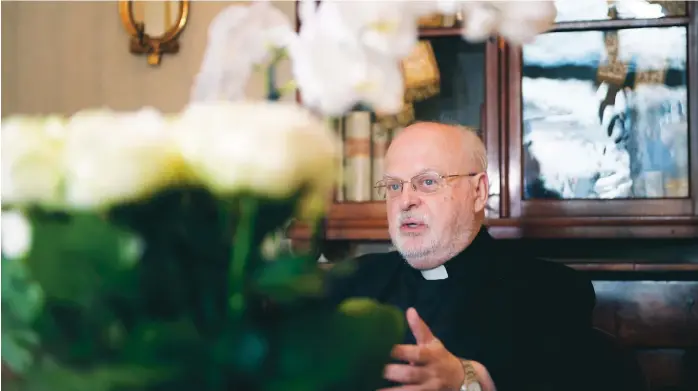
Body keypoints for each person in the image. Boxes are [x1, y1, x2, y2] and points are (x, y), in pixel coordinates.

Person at [327, 122, 598, 391]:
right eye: (394, 186)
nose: (405, 200)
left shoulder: (552, 291)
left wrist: (466, 379)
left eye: (428, 182)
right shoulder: (349, 282)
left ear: (478, 192)